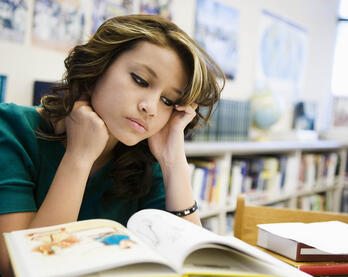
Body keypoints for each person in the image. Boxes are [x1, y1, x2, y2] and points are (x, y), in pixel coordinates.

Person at [0, 14, 224, 277]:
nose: (150, 108)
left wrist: (173, 160)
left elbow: (195, 265)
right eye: (140, 80)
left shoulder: (144, 158)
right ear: (98, 68)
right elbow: (15, 269)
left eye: (167, 100)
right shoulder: (12, 128)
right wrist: (79, 157)